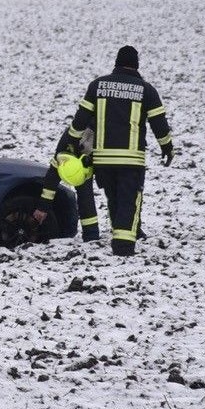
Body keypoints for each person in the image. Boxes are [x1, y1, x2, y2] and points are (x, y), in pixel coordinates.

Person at [64, 46, 174, 256]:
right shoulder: (146, 90)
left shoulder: (97, 85)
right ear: (136, 65)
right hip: (131, 160)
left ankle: (119, 239)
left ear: (116, 63)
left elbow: (80, 120)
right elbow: (159, 123)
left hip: (103, 160)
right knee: (128, 202)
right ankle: (123, 247)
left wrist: (71, 144)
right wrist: (167, 147)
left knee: (114, 199)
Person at [33, 127, 100, 242]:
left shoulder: (100, 139)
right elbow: (52, 177)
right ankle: (91, 236)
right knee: (85, 194)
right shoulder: (63, 150)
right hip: (82, 155)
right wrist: (43, 207)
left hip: (109, 147)